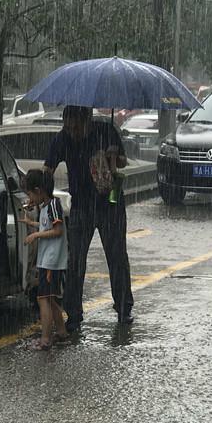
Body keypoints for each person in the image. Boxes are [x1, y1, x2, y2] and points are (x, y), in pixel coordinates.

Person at [44, 105, 134, 332]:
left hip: (110, 202)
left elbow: (123, 162)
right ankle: (73, 313)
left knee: (116, 257)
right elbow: (48, 168)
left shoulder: (106, 130)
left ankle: (124, 309)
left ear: (88, 120)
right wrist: (44, 195)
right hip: (81, 205)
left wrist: (113, 156)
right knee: (75, 261)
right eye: (68, 126)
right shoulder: (62, 138)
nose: (73, 131)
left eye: (77, 126)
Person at [20, 169, 68, 350]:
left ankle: (45, 339)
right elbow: (46, 225)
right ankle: (61, 332)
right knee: (51, 299)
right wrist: (32, 224)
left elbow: (58, 230)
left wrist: (36, 235)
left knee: (43, 299)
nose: (30, 198)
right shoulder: (47, 206)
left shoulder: (54, 205)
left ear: (39, 190)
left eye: (31, 193)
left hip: (51, 261)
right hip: (48, 260)